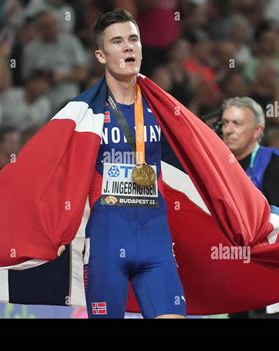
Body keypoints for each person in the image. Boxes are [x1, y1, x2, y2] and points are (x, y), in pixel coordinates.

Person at [56, 9, 186, 319]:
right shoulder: (82, 113)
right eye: (117, 41)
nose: (128, 47)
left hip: (157, 243)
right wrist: (56, 228)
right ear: (101, 55)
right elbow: (55, 171)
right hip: (106, 244)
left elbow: (195, 158)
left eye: (133, 39)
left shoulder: (164, 108)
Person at [221, 97, 279, 318]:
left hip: (274, 275)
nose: (228, 130)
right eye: (225, 123)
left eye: (237, 123)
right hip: (237, 274)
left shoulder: (271, 163)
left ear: (257, 131)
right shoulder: (220, 165)